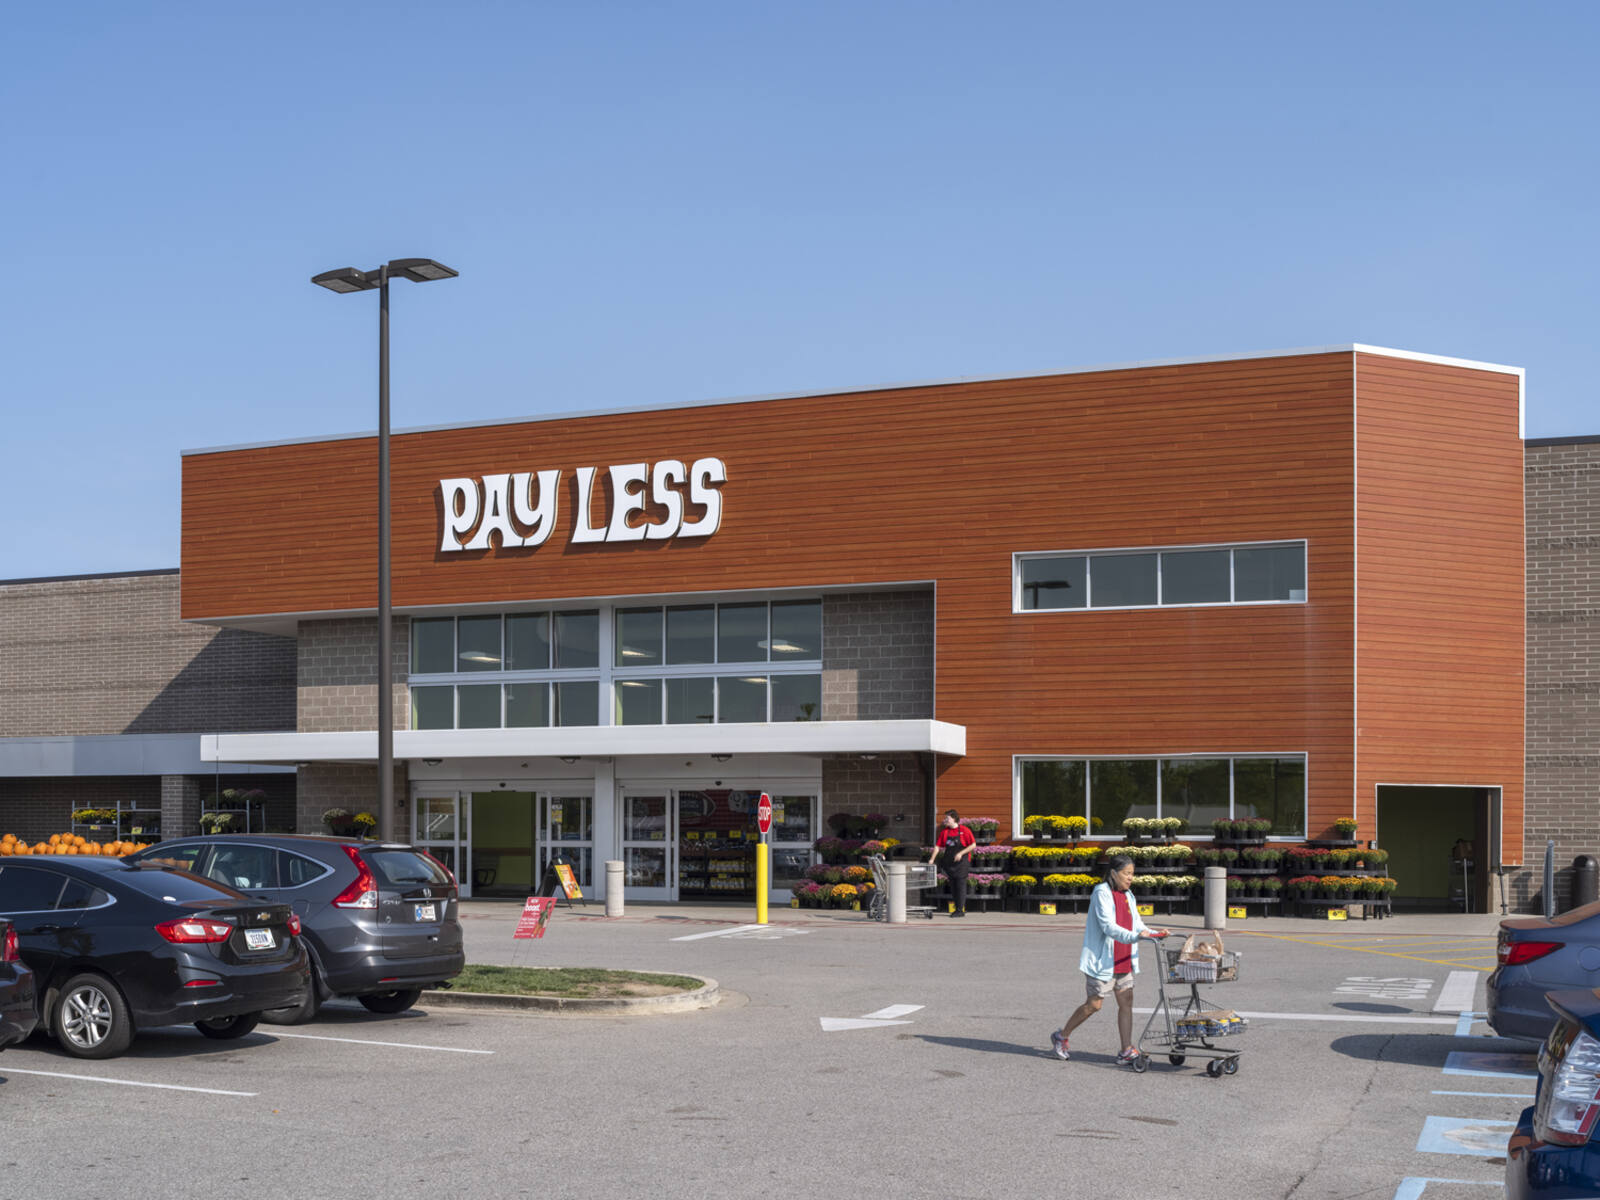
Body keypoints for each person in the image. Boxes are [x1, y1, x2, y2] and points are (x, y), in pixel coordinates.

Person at [1050, 853, 1168, 1063]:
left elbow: (1137, 924)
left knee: (1126, 1002)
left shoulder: (1128, 895)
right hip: (1103, 960)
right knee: (1094, 1005)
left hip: (1124, 958)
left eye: (1132, 874)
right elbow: (1108, 926)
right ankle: (1062, 1036)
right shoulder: (1101, 893)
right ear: (1113, 873)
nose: (1130, 878)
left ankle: (1126, 1049)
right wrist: (1135, 936)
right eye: (1126, 873)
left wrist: (1154, 933)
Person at [927, 809, 975, 917]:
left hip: (962, 863)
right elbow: (937, 847)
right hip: (950, 863)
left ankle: (960, 910)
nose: (945, 820)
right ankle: (957, 908)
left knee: (960, 885)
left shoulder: (964, 830)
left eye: (947, 818)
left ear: (954, 818)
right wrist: (932, 859)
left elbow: (973, 845)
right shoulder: (945, 832)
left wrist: (960, 853)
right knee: (953, 886)